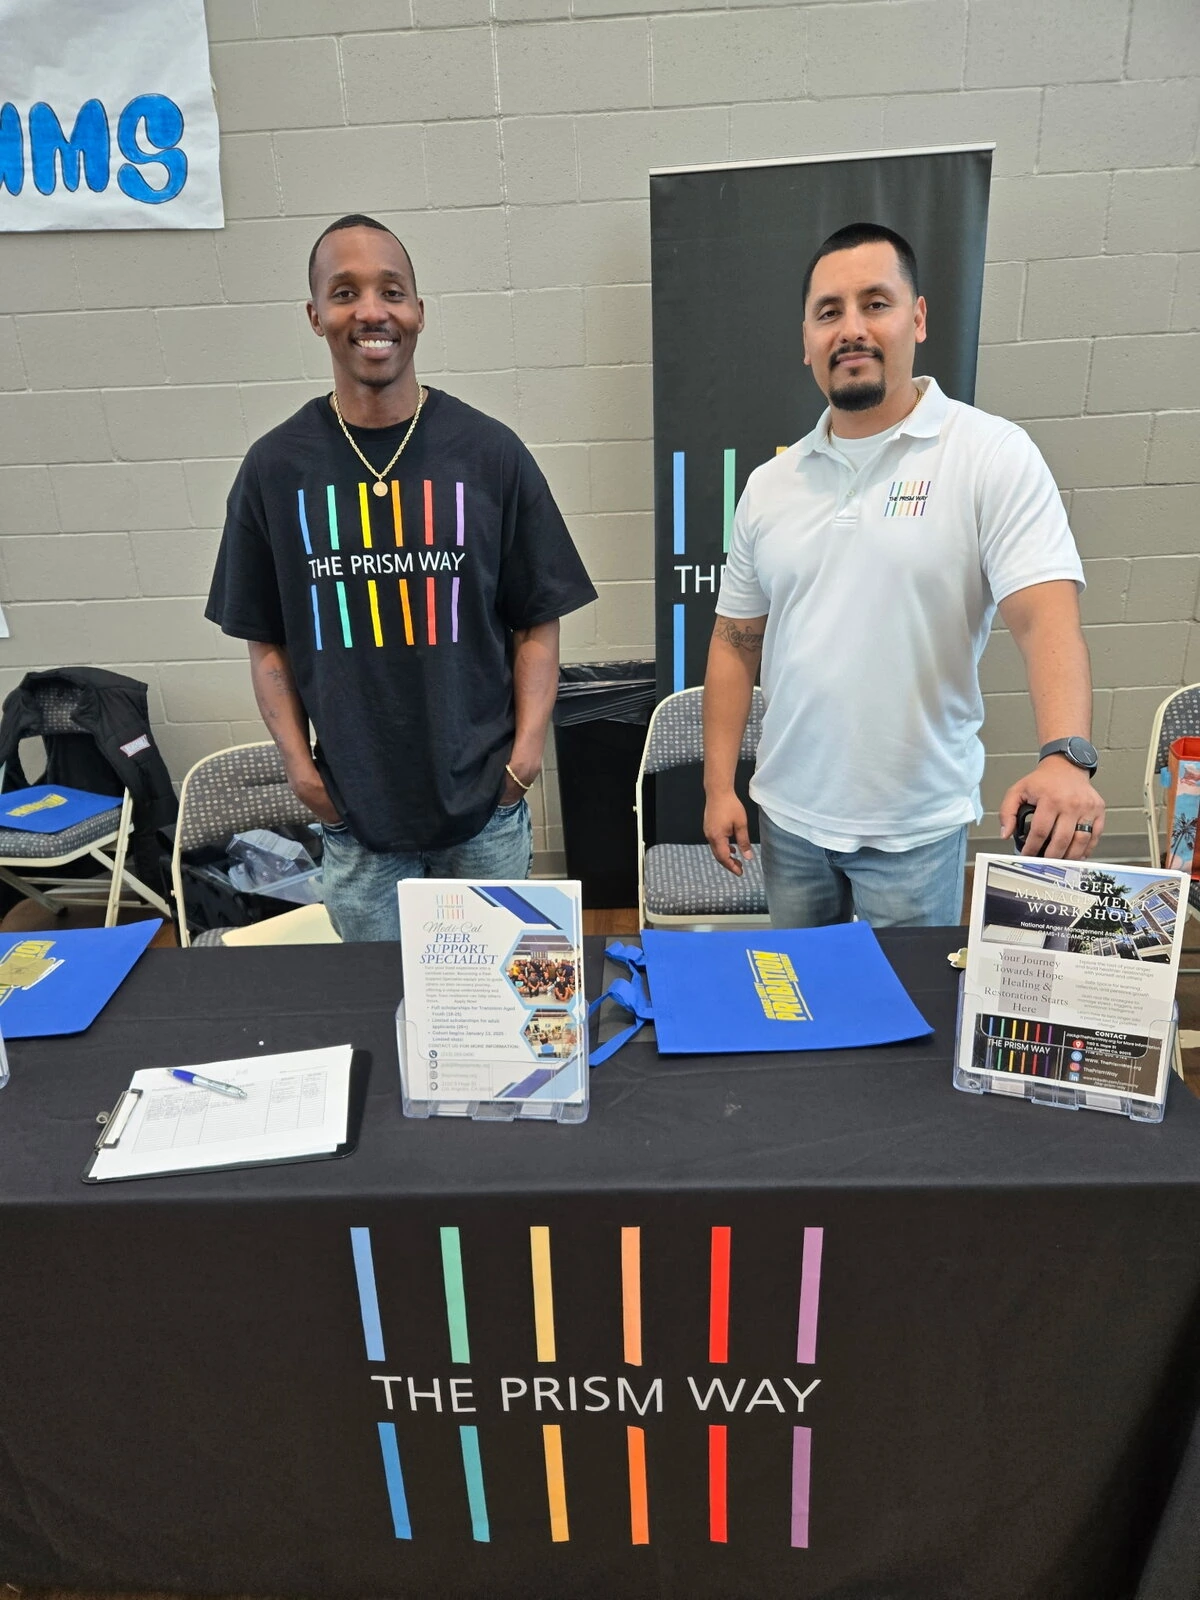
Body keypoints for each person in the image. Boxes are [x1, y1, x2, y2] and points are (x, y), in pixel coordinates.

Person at [703, 221, 1105, 929]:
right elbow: (736, 642)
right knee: (807, 1021)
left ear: (917, 319)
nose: (850, 329)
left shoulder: (990, 456)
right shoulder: (771, 484)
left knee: (907, 1034)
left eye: (875, 303)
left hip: (916, 835)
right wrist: (716, 787)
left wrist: (1066, 756)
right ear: (806, 342)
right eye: (829, 313)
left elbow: (1045, 617)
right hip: (789, 823)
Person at [206, 214, 596, 941]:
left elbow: (538, 618)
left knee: (499, 1012)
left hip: (485, 812)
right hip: (356, 823)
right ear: (316, 315)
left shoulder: (489, 454)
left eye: (392, 290)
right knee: (383, 1009)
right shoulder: (274, 471)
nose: (372, 311)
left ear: (418, 311)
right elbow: (265, 643)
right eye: (345, 292)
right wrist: (302, 773)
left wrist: (524, 760)